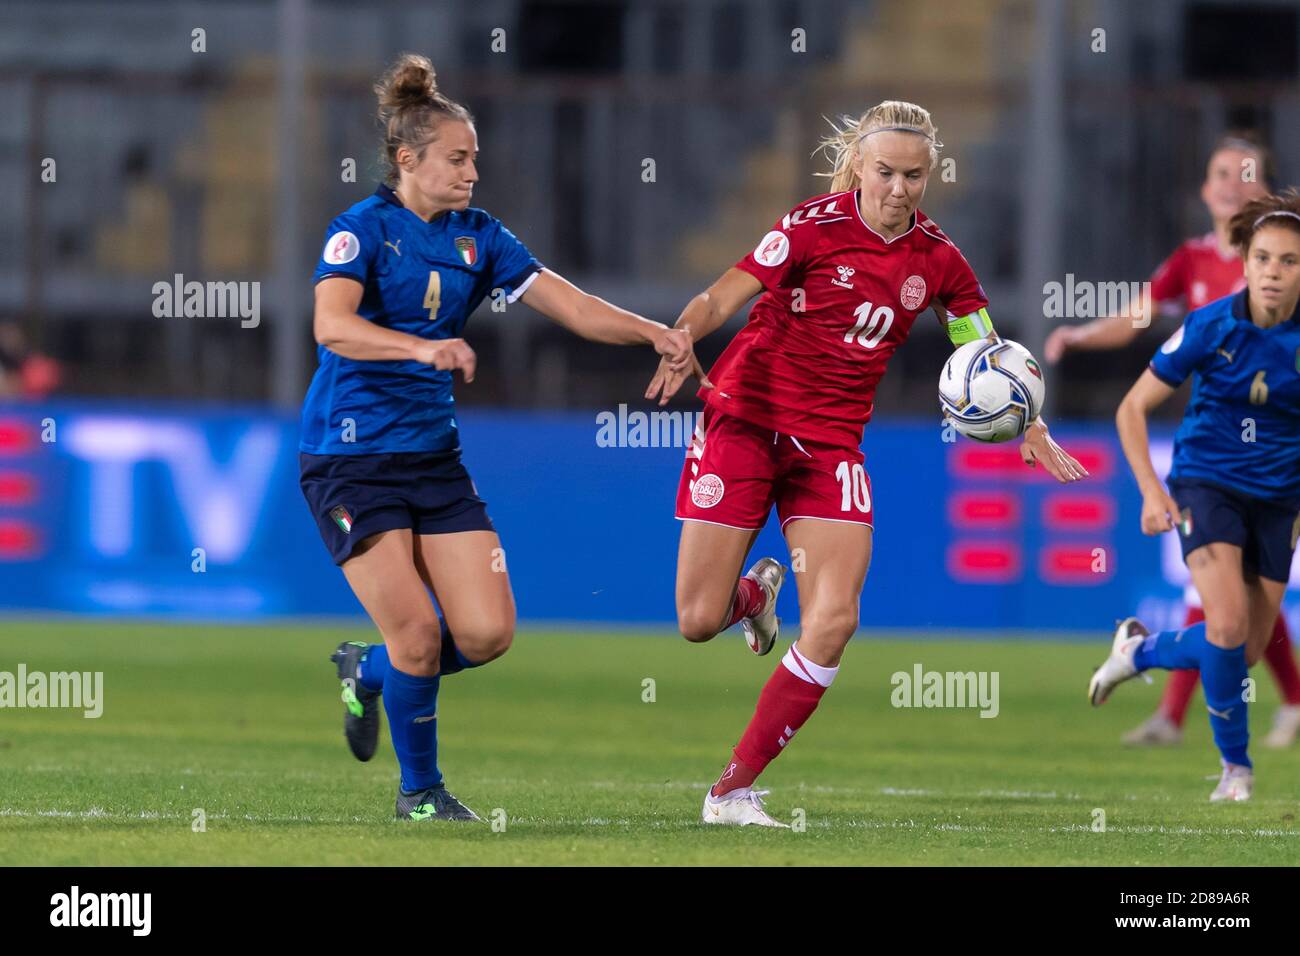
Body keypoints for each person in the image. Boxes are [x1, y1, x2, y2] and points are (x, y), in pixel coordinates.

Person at [646, 100, 1087, 827]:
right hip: (745, 422)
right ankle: (753, 599)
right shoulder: (808, 228)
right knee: (696, 620)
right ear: (858, 164)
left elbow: (982, 351)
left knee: (833, 620)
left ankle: (731, 791)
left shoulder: (939, 259)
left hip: (830, 448)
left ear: (930, 174)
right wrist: (683, 334)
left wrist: (1028, 422)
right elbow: (721, 293)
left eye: (914, 175)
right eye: (885, 171)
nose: (899, 188)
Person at [301, 53, 699, 821]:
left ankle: (366, 673)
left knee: (485, 634)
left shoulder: (479, 239)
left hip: (434, 462)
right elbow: (332, 326)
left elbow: (575, 307)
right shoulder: (360, 231)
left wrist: (656, 332)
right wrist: (423, 348)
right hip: (350, 462)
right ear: (408, 161)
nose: (473, 172)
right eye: (458, 158)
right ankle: (420, 795)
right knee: (419, 633)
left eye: (475, 158)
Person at [1047, 135, 1300, 748]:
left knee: (1243, 619)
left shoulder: (1284, 263)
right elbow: (1136, 320)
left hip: (1278, 458)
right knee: (1221, 606)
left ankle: (1261, 701)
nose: (1229, 183)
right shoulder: (1192, 263)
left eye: (1243, 173)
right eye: (1218, 173)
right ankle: (1185, 718)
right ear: (1203, 188)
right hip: (1210, 457)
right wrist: (1081, 336)